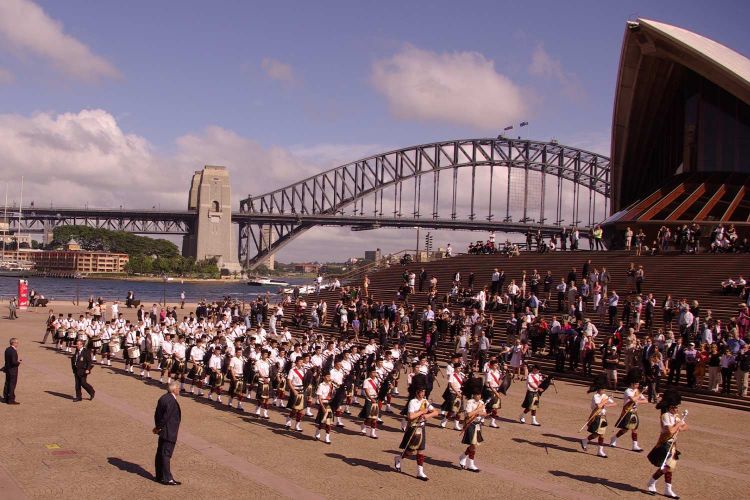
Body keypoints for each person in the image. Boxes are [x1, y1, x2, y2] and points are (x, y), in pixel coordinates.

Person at [394, 380, 441, 481]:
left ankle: (420, 472)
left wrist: (427, 415)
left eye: (424, 392)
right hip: (413, 428)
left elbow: (436, 412)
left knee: (421, 450)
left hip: (421, 427)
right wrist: (421, 412)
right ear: (416, 392)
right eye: (421, 392)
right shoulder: (412, 402)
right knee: (410, 451)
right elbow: (410, 416)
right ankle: (399, 458)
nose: (423, 394)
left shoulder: (425, 401)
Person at [646, 390, 687, 499]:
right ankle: (653, 483)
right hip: (665, 443)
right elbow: (670, 431)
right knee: (667, 467)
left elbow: (686, 427)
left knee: (669, 467)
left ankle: (664, 487)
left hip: (673, 445)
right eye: (675, 407)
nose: (677, 409)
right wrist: (678, 425)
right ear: (669, 407)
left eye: (677, 407)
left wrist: (680, 425)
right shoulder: (665, 416)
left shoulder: (676, 416)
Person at [153, 381, 182, 486]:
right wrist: (158, 427)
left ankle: (159, 475)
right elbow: (166, 417)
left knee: (160, 453)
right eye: (178, 388)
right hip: (169, 432)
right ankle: (167, 478)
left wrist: (158, 427)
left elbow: (157, 414)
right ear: (174, 390)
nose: (179, 389)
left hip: (163, 432)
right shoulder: (171, 401)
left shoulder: (163, 398)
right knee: (166, 454)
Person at [611, 368, 647, 451]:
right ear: (632, 383)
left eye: (638, 384)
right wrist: (640, 395)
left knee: (635, 429)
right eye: (636, 384)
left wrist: (638, 399)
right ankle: (614, 438)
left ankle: (635, 445)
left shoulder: (637, 391)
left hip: (634, 412)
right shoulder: (628, 391)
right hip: (627, 411)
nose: (637, 386)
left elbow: (646, 400)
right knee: (625, 429)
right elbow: (633, 399)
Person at [580, 374, 616, 458]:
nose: (603, 391)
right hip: (597, 416)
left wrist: (607, 404)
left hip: (603, 417)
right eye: (602, 389)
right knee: (599, 433)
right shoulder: (595, 396)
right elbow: (598, 406)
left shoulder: (604, 396)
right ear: (598, 389)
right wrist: (605, 401)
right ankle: (595, 447)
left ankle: (588, 442)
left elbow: (614, 403)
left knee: (600, 434)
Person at [458, 378, 486, 472]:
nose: (479, 396)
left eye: (479, 394)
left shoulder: (482, 403)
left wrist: (481, 412)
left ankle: (463, 456)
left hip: (478, 424)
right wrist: (478, 411)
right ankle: (471, 464)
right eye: (477, 394)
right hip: (471, 424)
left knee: (474, 445)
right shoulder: (470, 402)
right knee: (473, 445)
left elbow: (484, 413)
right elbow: (468, 414)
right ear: (474, 395)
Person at [2, 338, 21, 404]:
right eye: (17, 343)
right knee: (12, 385)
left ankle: (6, 397)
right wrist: (18, 362)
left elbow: (7, 360)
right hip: (13, 370)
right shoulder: (13, 351)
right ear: (14, 343)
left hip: (8, 369)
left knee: (7, 383)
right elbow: (13, 362)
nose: (17, 344)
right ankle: (10, 399)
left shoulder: (7, 349)